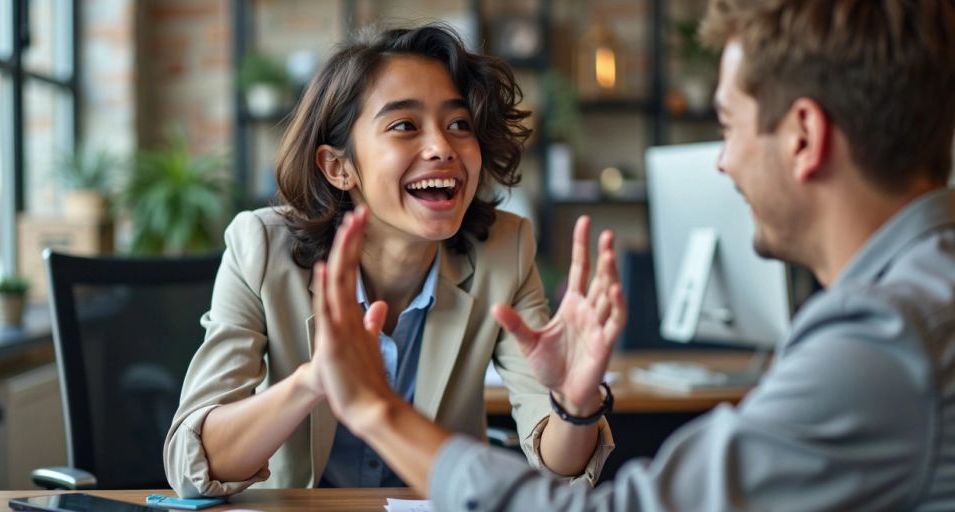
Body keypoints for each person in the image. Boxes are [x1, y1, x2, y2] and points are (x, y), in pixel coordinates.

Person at [311, 1, 955, 510]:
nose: (724, 162)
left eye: (727, 127)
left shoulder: (882, 340)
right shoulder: (921, 296)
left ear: (805, 137)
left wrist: (375, 409)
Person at [163, 23, 621, 497]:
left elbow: (558, 469)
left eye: (459, 124)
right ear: (339, 167)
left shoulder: (506, 249)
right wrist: (312, 381)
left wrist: (575, 404)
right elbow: (191, 465)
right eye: (404, 125)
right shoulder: (260, 247)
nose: (442, 147)